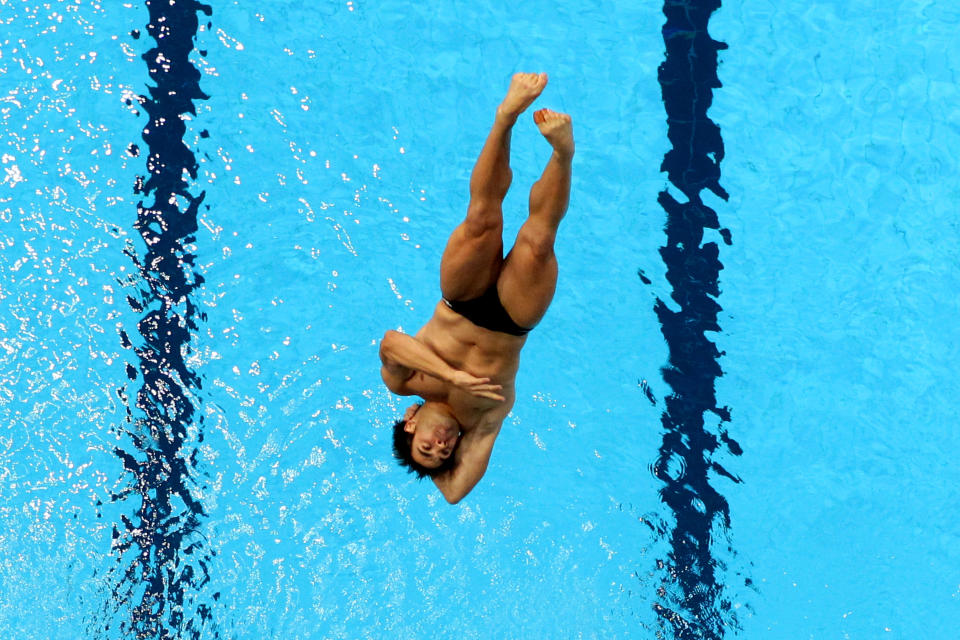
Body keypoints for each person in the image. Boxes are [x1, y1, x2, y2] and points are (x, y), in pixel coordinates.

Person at [379, 72, 573, 503]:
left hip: (461, 300)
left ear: (409, 421)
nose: (441, 446)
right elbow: (452, 492)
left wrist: (451, 375)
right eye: (443, 452)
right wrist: (432, 466)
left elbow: (391, 343)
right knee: (538, 242)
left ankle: (506, 116)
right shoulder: (483, 421)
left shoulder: (405, 384)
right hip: (512, 320)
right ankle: (562, 153)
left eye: (426, 446)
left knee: (482, 217)